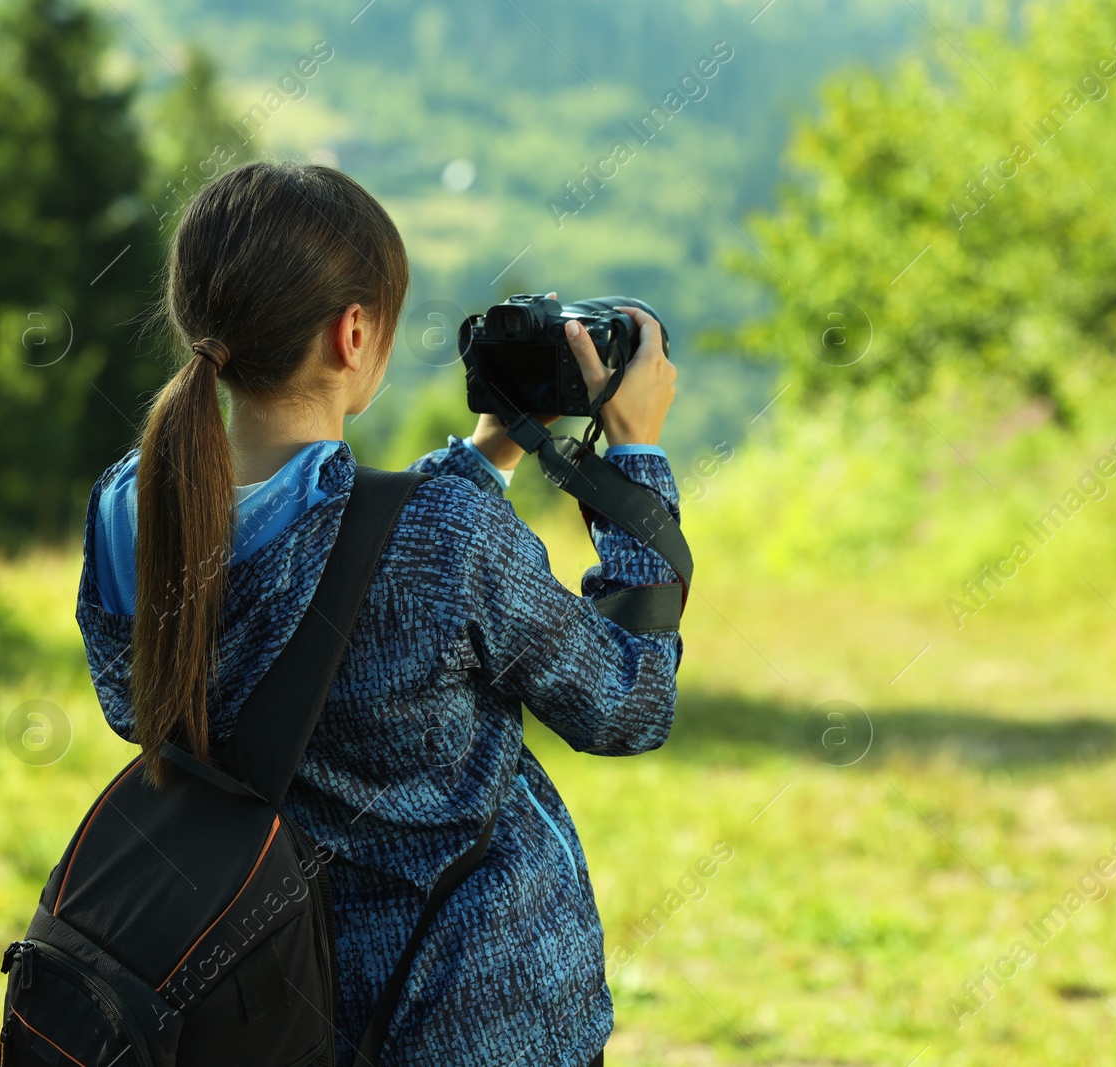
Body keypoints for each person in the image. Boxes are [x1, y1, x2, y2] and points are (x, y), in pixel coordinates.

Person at [74, 160, 682, 1067]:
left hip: (270, 1017)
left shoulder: (134, 514)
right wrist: (636, 455)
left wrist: (487, 456)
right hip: (480, 1023)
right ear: (353, 333)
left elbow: (342, 553)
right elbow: (630, 703)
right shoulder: (445, 538)